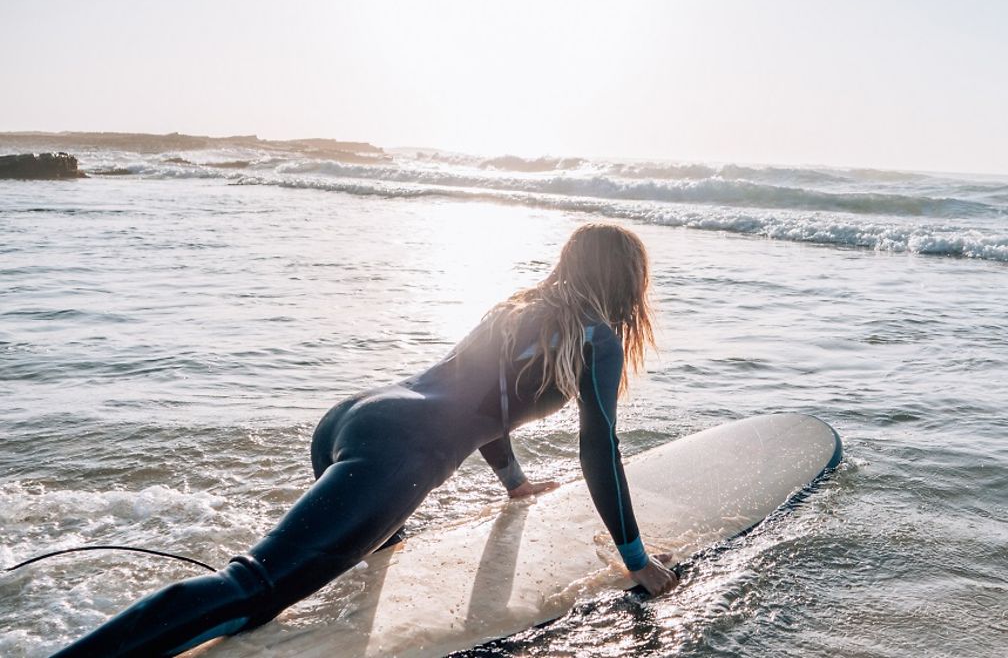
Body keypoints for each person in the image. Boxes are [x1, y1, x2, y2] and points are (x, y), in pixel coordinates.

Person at [55, 223, 678, 658]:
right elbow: (598, 449)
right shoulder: (596, 338)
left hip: (355, 417)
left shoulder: (514, 309)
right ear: (628, 281)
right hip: (397, 453)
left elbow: (481, 400)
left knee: (373, 546)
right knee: (253, 588)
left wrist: (514, 484)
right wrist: (634, 558)